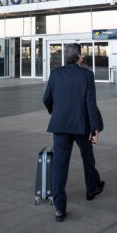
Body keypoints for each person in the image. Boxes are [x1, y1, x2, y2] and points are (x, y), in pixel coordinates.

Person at [42, 43, 104, 222]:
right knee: (87, 158)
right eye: (81, 55)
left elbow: (46, 99)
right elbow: (90, 104)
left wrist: (56, 112)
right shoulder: (86, 75)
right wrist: (94, 128)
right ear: (79, 57)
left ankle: (59, 209)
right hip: (81, 125)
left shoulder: (55, 74)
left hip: (60, 126)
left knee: (60, 165)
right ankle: (91, 189)